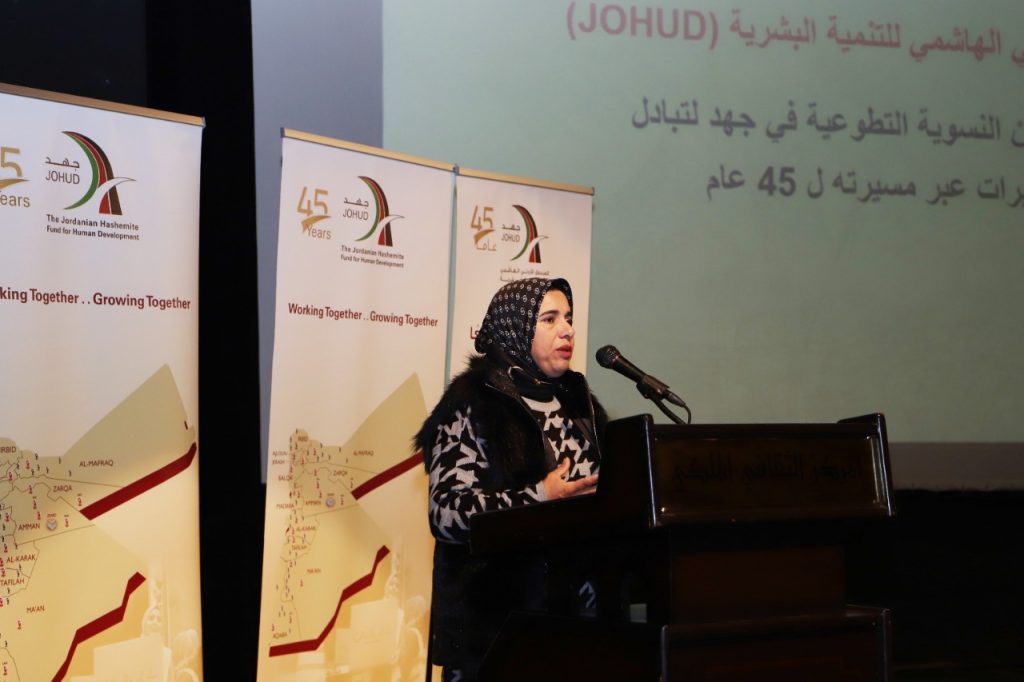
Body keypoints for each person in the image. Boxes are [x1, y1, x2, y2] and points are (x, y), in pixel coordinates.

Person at [414, 277, 607, 681]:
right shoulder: (472, 403)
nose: (567, 330)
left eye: (568, 318)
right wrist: (540, 495)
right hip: (494, 635)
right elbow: (445, 513)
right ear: (515, 328)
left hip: (577, 626)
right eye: (549, 319)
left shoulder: (579, 403)